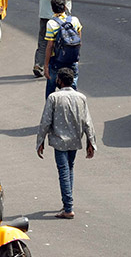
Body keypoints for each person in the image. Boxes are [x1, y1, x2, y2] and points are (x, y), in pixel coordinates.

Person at [36, 67, 97, 219]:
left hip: (59, 141)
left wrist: (40, 141)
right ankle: (67, 203)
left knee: (63, 170)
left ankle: (68, 207)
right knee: (69, 169)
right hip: (75, 140)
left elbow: (45, 121)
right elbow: (87, 121)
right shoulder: (81, 97)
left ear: (60, 81)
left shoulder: (53, 98)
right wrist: (91, 142)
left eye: (57, 79)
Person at [29, 0, 71, 75]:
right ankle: (56, 65)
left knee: (43, 40)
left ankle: (38, 64)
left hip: (44, 15)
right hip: (58, 17)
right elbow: (66, 0)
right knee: (58, 42)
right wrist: (68, 17)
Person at [42, 0, 81, 97]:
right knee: (73, 90)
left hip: (57, 61)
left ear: (52, 9)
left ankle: (50, 110)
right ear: (65, 7)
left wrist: (46, 65)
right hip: (72, 61)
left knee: (51, 89)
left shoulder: (51, 24)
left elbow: (50, 46)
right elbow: (79, 39)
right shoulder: (74, 20)